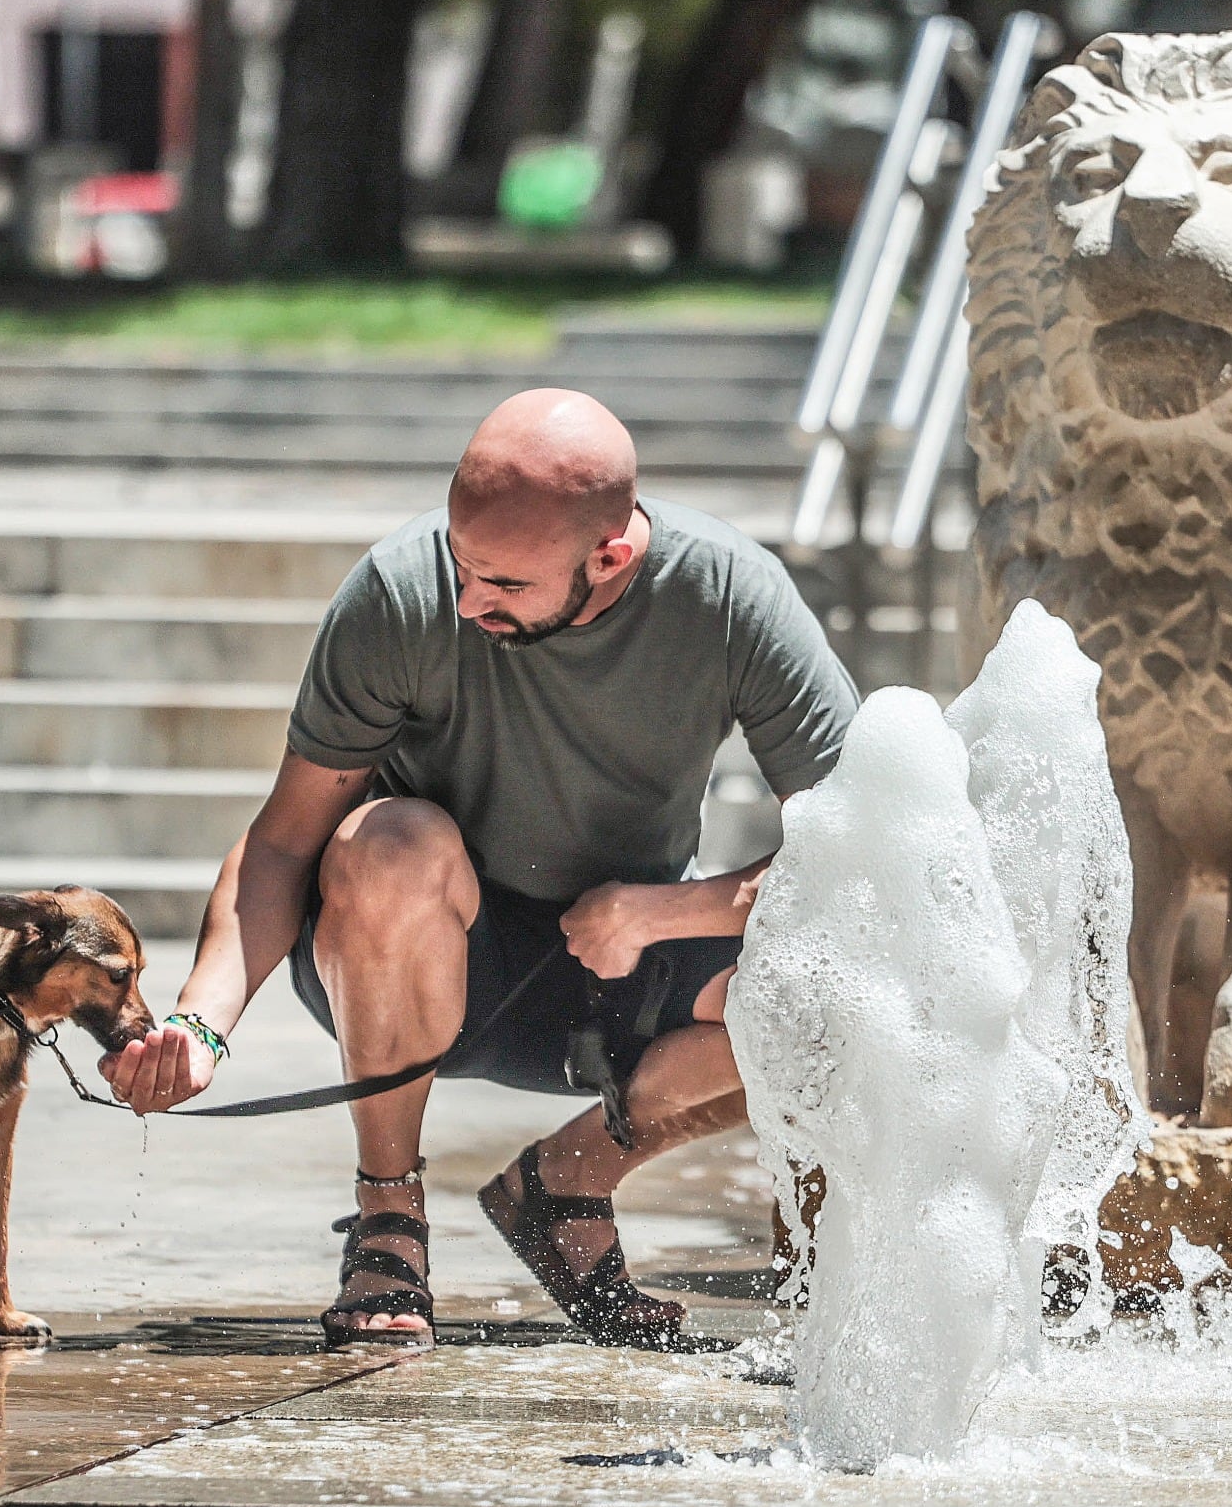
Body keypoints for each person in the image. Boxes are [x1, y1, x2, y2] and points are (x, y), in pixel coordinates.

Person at [100, 388, 858, 1350]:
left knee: (846, 989)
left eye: (504, 585)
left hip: (622, 962)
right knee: (391, 842)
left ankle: (566, 1183)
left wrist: (660, 914)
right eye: (463, 565)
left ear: (611, 556)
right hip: (422, 959)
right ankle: (389, 1220)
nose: (468, 602)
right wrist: (201, 1022)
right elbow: (287, 838)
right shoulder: (399, 594)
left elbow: (862, 846)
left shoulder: (731, 596)